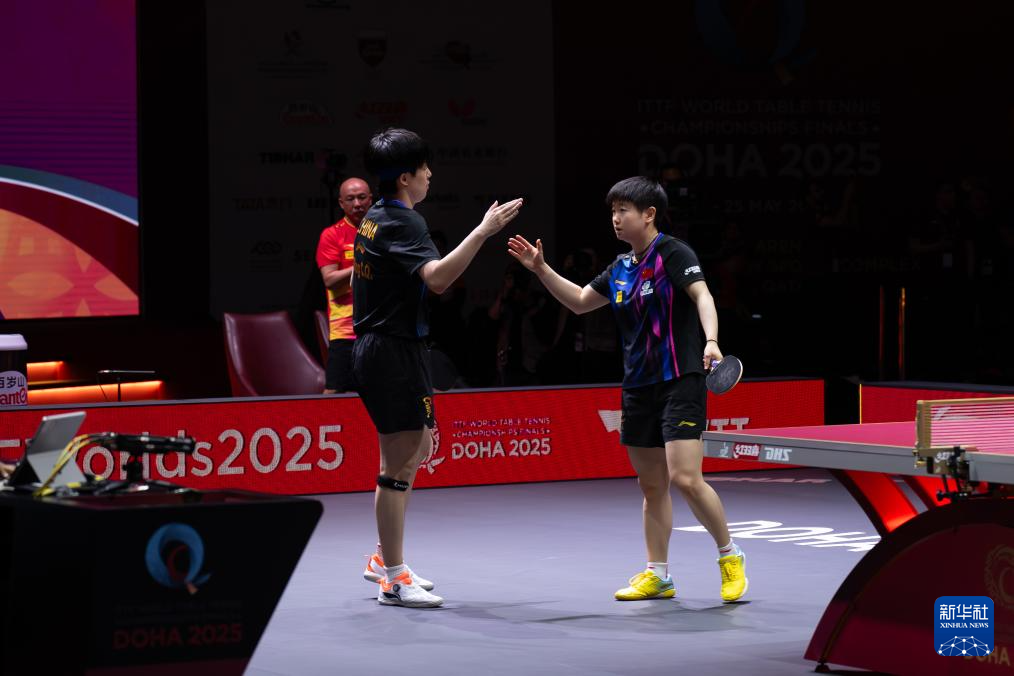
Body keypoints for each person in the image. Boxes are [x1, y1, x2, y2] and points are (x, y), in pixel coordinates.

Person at [507, 176, 748, 603]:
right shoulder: (620, 268)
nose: (616, 219)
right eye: (613, 211)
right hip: (638, 387)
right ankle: (658, 575)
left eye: (624, 210)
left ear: (649, 214)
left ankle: (730, 556)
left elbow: (702, 296)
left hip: (680, 379)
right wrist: (541, 268)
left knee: (686, 478)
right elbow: (580, 301)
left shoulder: (673, 253)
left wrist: (711, 341)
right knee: (651, 485)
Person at [353, 128, 522, 607]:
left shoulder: (375, 217)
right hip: (390, 351)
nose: (430, 175)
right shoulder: (404, 222)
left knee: (417, 447)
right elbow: (439, 279)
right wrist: (484, 231)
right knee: (399, 462)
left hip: (394, 348)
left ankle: (384, 558)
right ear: (406, 177)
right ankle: (393, 577)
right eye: (424, 168)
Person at [316, 177, 373, 393]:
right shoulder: (332, 235)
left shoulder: (382, 232)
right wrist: (364, 264)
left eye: (362, 197)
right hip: (346, 330)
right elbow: (329, 279)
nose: (357, 204)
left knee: (382, 390)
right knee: (334, 393)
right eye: (350, 199)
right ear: (341, 203)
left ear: (370, 199)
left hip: (378, 328)